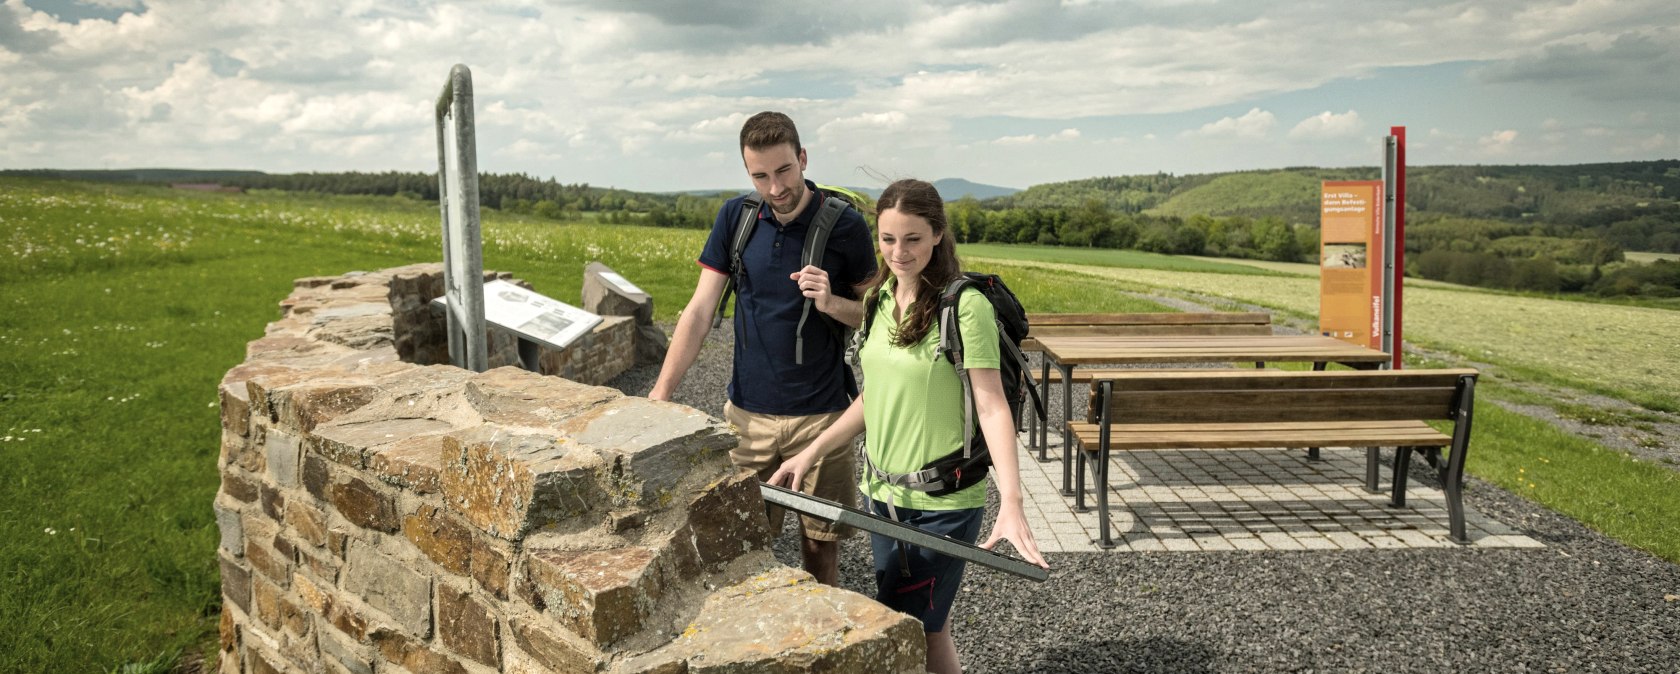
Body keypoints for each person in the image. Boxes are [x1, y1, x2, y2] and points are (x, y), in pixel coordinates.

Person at [770, 178, 1048, 674]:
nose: (899, 252)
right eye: (888, 239)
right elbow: (875, 397)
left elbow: (991, 407)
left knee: (907, 624)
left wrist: (1012, 502)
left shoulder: (966, 307)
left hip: (942, 505)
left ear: (938, 234)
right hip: (882, 497)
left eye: (913, 238)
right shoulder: (878, 301)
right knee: (924, 627)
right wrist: (809, 452)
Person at [649, 111, 876, 586]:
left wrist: (832, 301)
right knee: (740, 549)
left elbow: (878, 319)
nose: (775, 188)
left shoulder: (845, 226)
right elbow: (698, 311)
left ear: (803, 158)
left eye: (784, 171)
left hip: (823, 419)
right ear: (747, 173)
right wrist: (660, 394)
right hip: (746, 418)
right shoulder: (736, 217)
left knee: (819, 549)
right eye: (760, 176)